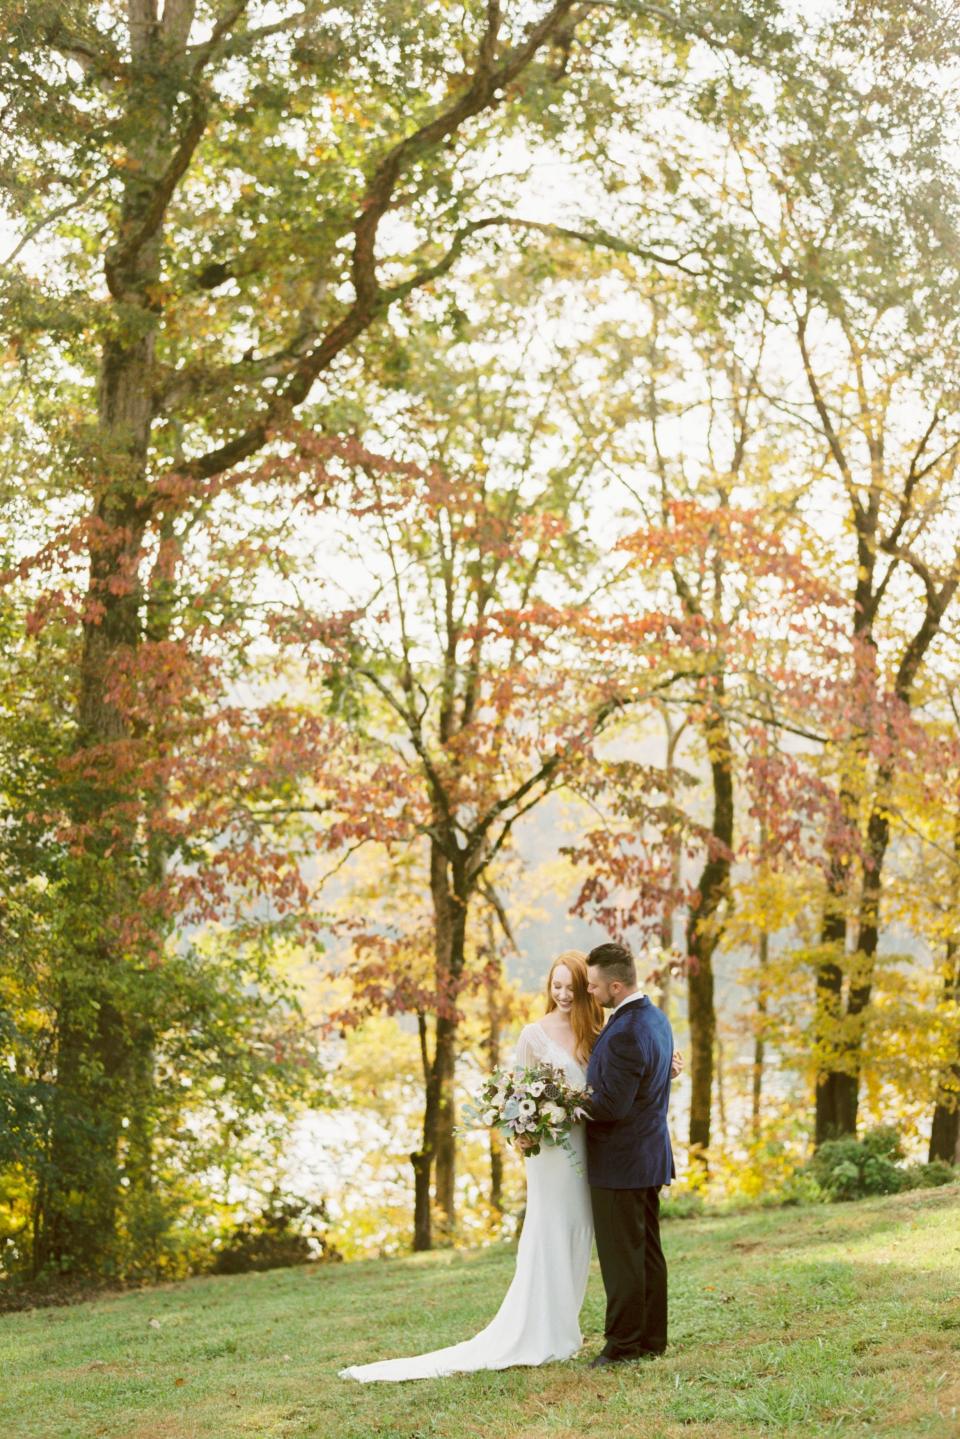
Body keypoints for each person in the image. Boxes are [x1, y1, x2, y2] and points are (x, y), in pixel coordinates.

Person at [338, 950, 603, 1381]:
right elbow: (519, 1095)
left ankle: (564, 1327)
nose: (562, 994)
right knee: (549, 1230)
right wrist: (524, 1128)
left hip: (585, 1148)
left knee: (579, 1230)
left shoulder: (596, 1031)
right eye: (556, 986)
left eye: (569, 987)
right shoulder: (533, 1034)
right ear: (548, 987)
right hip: (551, 1153)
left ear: (583, 989)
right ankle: (542, 1331)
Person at [583, 940, 676, 1368]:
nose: (591, 993)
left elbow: (611, 1107)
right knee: (647, 1252)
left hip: (620, 1161)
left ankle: (622, 1346)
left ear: (616, 986)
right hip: (649, 1153)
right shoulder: (657, 1019)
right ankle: (651, 1339)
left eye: (593, 987)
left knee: (622, 1258)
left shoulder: (624, 1032)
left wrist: (565, 1102)